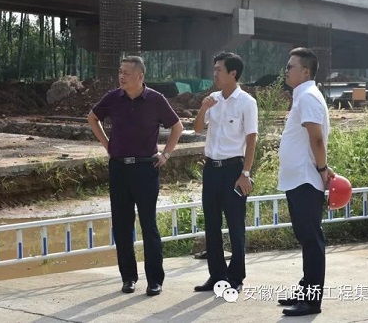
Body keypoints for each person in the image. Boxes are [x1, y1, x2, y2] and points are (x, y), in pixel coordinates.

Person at [87, 56, 183, 297]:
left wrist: (166, 154)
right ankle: (128, 278)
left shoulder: (155, 99)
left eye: (127, 73)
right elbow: (92, 118)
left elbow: (177, 126)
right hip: (119, 168)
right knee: (122, 225)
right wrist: (107, 145)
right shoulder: (113, 98)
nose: (121, 76)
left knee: (148, 225)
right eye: (120, 72)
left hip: (145, 169)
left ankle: (155, 280)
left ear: (140, 76)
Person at [192, 52, 258, 292]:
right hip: (212, 168)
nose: (215, 74)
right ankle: (216, 275)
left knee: (235, 225)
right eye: (214, 69)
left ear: (233, 73)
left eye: (219, 70)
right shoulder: (213, 99)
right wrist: (203, 109)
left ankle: (236, 277)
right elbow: (198, 129)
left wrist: (246, 173)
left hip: (233, 170)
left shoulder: (247, 102)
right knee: (211, 224)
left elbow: (251, 139)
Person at [277, 47, 335, 317]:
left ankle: (311, 300)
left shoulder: (308, 97)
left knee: (311, 240)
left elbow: (317, 138)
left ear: (305, 72)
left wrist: (322, 169)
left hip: (305, 179)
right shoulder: (303, 96)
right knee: (306, 238)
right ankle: (305, 290)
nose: (286, 70)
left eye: (290, 66)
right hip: (298, 179)